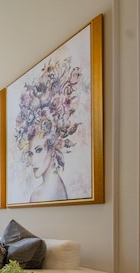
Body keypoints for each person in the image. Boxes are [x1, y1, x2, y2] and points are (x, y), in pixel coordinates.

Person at [15, 57, 82, 202]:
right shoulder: (54, 188)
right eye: (30, 153)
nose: (32, 160)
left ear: (53, 146)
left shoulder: (40, 195)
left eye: (38, 150)